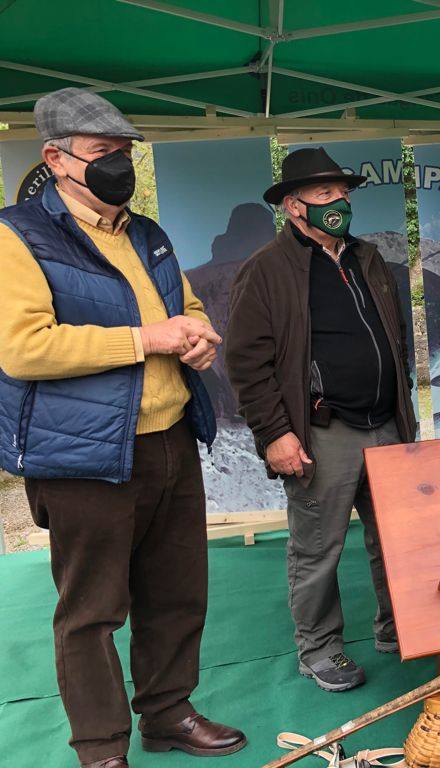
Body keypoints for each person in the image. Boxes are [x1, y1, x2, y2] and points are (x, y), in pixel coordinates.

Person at [0, 88, 245, 768]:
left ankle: (167, 715)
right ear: (56, 157)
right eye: (103, 154)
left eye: (126, 153)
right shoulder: (16, 235)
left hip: (169, 440)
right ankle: (102, 748)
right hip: (81, 456)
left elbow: (188, 309)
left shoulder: (148, 232)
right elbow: (25, 348)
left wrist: (199, 337)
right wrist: (148, 338)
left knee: (177, 593)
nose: (120, 166)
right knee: (92, 612)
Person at [226, 147, 416, 692]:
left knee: (396, 539)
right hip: (323, 432)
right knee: (317, 548)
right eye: (325, 194)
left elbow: (393, 337)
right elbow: (246, 362)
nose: (340, 202)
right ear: (293, 206)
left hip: (386, 425)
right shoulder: (266, 270)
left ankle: (396, 627)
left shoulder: (368, 258)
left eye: (343, 192)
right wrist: (275, 434)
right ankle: (320, 648)